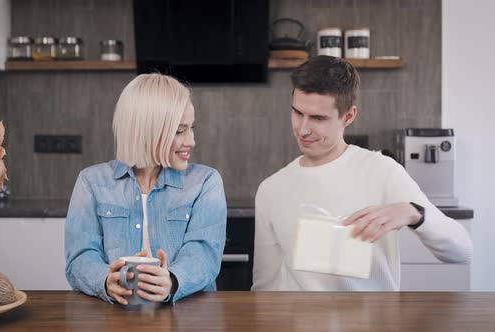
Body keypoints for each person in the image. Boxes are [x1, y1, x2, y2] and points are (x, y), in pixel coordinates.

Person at [252, 55, 472, 291]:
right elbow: (265, 286)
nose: (303, 129)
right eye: (297, 113)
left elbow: (461, 253)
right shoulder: (271, 189)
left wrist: (415, 213)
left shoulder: (382, 171)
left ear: (348, 116)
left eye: (318, 118)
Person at [65, 73, 226, 304]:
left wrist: (171, 280)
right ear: (149, 131)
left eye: (191, 128)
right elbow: (80, 258)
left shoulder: (206, 182)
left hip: (187, 318)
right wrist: (105, 281)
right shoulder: (91, 182)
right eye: (180, 131)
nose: (191, 140)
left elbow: (204, 254)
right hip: (112, 318)